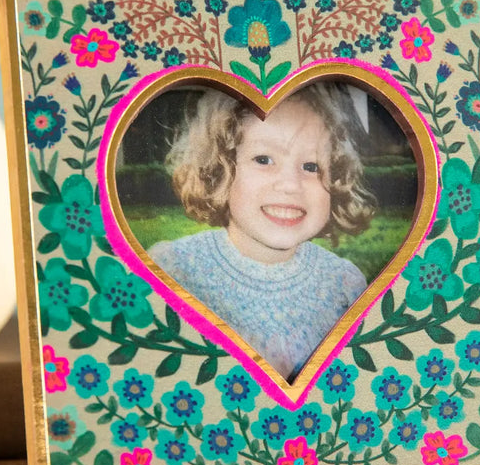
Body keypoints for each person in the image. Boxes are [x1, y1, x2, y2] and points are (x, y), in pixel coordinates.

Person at [149, 83, 376, 380]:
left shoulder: (345, 286)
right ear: (220, 170)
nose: (290, 185)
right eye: (264, 160)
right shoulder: (172, 270)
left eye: (310, 166)